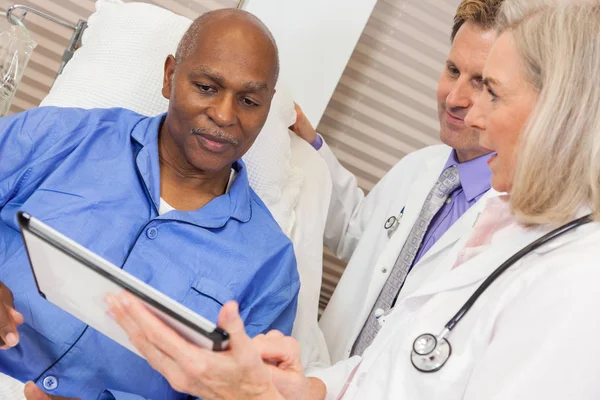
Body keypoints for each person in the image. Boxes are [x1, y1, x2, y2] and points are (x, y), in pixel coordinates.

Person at [109, 0, 600, 398]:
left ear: (560, 111)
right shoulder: (428, 172)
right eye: (453, 70)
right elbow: (366, 244)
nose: (463, 106)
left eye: (489, 89)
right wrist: (311, 388)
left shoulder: (574, 280)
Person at [0, 9, 300, 400]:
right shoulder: (59, 138)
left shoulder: (270, 267)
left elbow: (248, 392)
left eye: (248, 100)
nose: (225, 115)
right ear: (170, 76)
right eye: (207, 87)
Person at [291, 0, 503, 363]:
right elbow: (356, 233)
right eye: (453, 70)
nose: (454, 98)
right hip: (322, 380)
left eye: (481, 83)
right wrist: (309, 145)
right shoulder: (421, 166)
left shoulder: (509, 221)